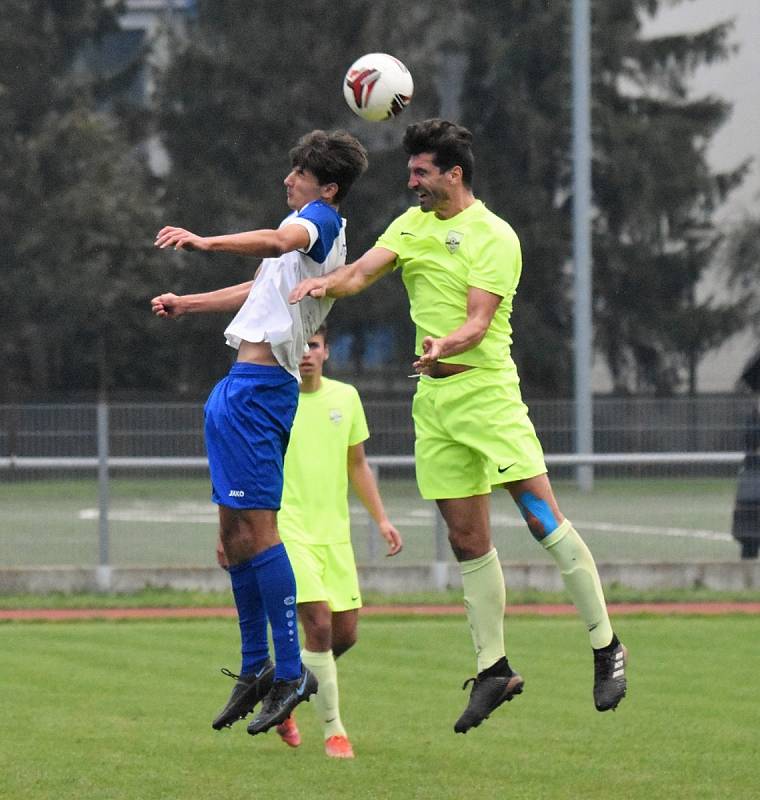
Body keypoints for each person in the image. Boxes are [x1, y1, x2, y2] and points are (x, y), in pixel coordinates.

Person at [290, 119, 628, 734]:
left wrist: (444, 342)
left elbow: (477, 321)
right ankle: (494, 668)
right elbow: (362, 272)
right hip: (435, 405)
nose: (411, 181)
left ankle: (606, 645)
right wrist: (320, 282)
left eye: (421, 172)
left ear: (454, 174)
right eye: (410, 171)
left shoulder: (494, 235)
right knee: (467, 542)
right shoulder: (410, 225)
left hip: (488, 395)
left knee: (542, 520)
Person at [151, 129, 369, 737]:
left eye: (299, 172)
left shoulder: (319, 222)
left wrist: (203, 240)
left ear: (327, 186)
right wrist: (187, 303)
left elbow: (276, 239)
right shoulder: (297, 235)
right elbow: (259, 287)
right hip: (235, 389)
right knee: (233, 534)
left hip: (261, 394)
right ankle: (254, 668)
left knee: (260, 533)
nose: (288, 179)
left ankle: (292, 671)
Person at [216, 324, 403, 758]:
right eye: (298, 347)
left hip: (334, 534)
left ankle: (285, 685)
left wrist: (382, 520)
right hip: (284, 529)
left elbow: (357, 464)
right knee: (317, 623)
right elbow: (238, 470)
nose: (305, 354)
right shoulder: (271, 399)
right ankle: (334, 731)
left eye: (313, 346)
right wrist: (227, 530)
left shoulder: (346, 398)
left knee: (346, 633)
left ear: (326, 352)